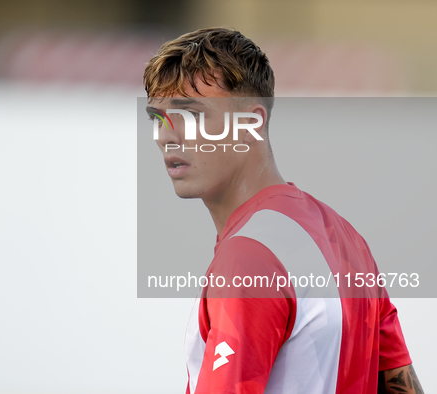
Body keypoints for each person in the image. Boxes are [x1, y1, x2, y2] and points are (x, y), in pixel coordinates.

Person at [142, 27, 423, 394]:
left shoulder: (248, 257)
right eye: (157, 118)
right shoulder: (346, 238)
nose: (165, 135)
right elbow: (400, 384)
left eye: (190, 115)